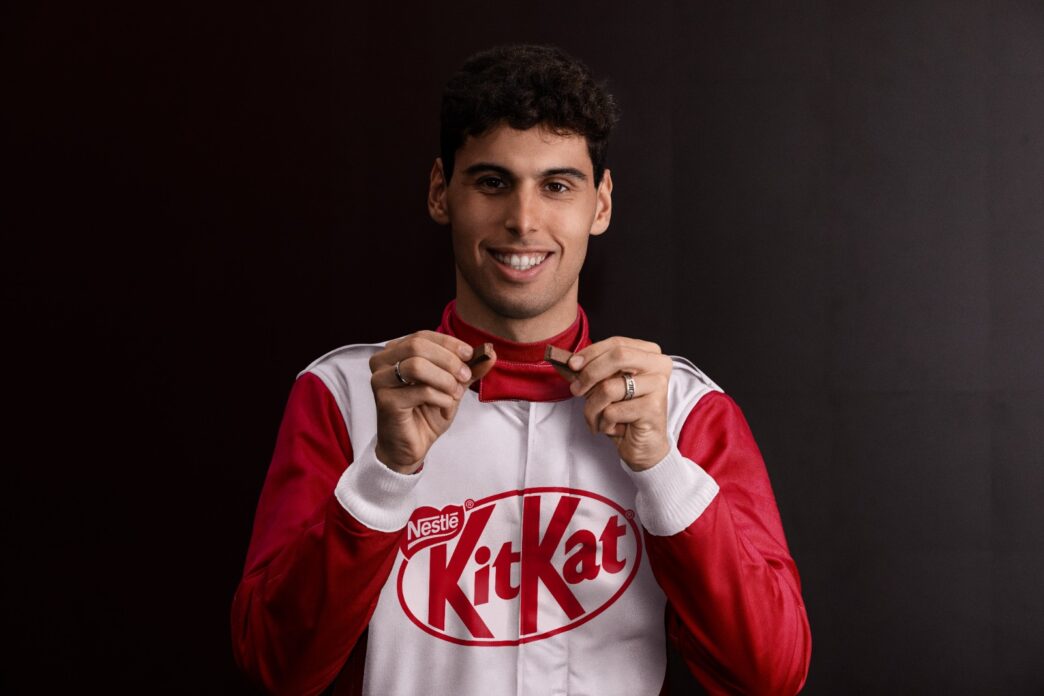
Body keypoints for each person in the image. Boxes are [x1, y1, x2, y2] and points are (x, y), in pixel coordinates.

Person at [232, 44, 811, 696]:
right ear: (440, 191)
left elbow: (770, 675)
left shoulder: (681, 409)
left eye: (557, 186)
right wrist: (384, 472)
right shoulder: (345, 393)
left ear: (601, 204)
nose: (523, 221)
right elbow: (276, 667)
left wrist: (661, 470)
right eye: (492, 182)